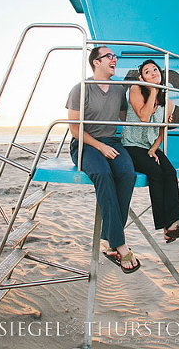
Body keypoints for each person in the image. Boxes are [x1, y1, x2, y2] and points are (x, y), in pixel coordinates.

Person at [66, 46, 140, 274]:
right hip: (86, 144)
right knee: (103, 175)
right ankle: (120, 244)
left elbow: (127, 117)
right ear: (96, 62)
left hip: (111, 142)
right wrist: (100, 146)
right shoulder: (81, 88)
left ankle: (108, 238)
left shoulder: (118, 90)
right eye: (109, 56)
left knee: (128, 173)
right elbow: (75, 129)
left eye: (115, 56)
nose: (114, 59)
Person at [121, 59, 179, 243]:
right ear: (141, 77)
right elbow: (145, 117)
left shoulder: (168, 102)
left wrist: (154, 149)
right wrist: (153, 89)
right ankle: (165, 225)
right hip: (131, 144)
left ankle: (175, 222)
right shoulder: (136, 90)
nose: (153, 72)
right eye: (147, 71)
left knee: (169, 172)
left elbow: (163, 129)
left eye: (155, 69)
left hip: (150, 145)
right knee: (155, 171)